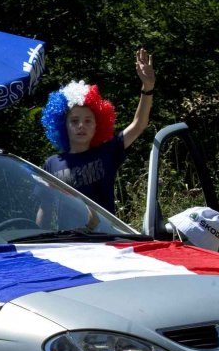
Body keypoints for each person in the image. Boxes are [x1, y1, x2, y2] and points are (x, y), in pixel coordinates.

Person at [36, 48, 156, 223]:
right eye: (74, 120)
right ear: (63, 125)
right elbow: (44, 208)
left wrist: (148, 87)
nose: (81, 126)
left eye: (88, 121)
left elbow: (139, 125)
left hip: (106, 242)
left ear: (97, 125)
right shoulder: (51, 163)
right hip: (68, 244)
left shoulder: (107, 152)